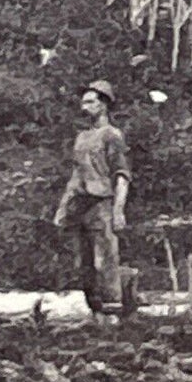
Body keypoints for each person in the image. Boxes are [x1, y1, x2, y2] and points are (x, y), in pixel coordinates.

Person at [53, 79, 131, 316]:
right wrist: (63, 208)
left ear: (103, 105)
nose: (84, 107)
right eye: (83, 103)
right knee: (83, 263)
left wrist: (118, 210)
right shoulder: (82, 138)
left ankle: (114, 311)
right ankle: (95, 312)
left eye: (90, 102)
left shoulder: (112, 135)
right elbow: (76, 176)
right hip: (80, 205)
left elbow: (122, 174)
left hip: (101, 204)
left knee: (105, 259)